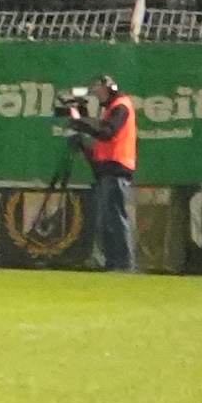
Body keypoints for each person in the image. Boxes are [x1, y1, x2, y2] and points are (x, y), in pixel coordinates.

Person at [61, 74, 139, 273]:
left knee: (115, 219)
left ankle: (122, 263)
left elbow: (106, 132)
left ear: (110, 89)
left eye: (101, 92)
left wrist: (80, 122)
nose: (99, 96)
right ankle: (114, 262)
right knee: (108, 220)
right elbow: (103, 142)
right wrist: (84, 143)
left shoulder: (121, 106)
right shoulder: (113, 109)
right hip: (109, 169)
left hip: (117, 169)